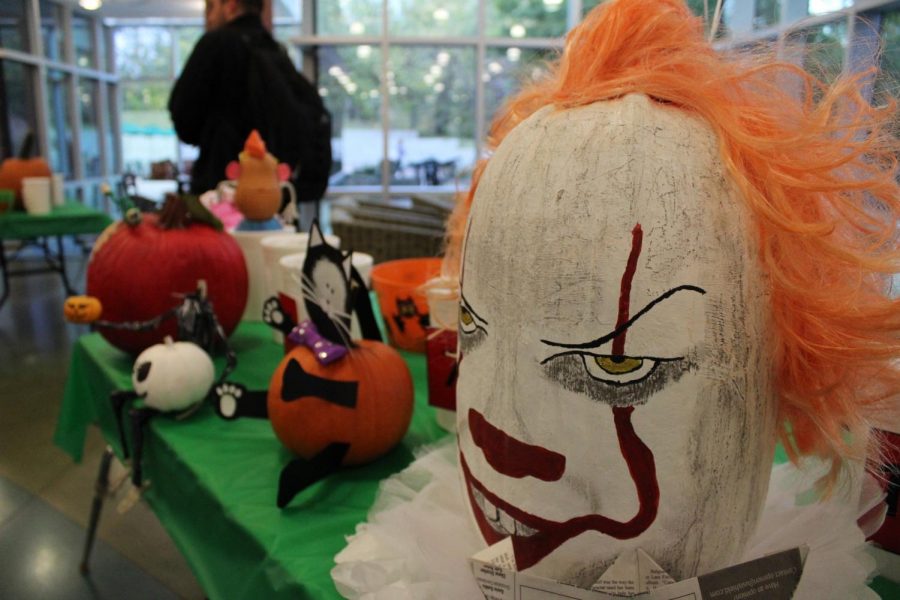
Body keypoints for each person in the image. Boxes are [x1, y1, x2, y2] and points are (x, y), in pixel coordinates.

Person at [169, 0, 325, 198]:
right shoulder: (275, 51)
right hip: (273, 192)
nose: (209, 17)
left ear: (231, 6)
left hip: (223, 190)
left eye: (213, 7)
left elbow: (184, 118)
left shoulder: (215, 44)